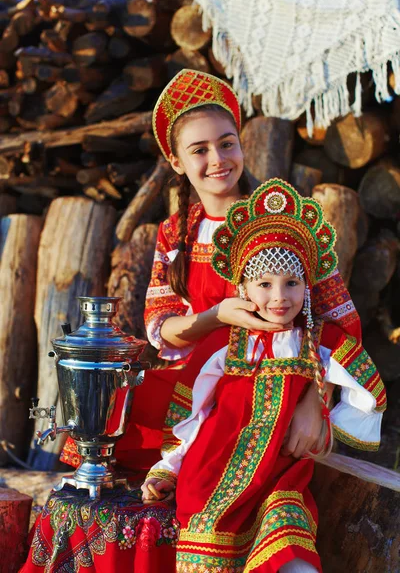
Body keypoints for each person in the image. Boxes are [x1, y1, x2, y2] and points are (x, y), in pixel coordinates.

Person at [60, 69, 363, 471]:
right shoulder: (176, 231)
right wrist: (216, 316)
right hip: (198, 379)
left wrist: (315, 402)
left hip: (271, 384)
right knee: (108, 407)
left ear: (241, 145)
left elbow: (339, 322)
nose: (218, 159)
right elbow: (161, 325)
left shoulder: (283, 222)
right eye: (199, 150)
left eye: (227, 144)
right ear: (176, 161)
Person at [142, 178, 386, 573]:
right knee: (207, 539)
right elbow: (191, 411)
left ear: (308, 286)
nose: (279, 297)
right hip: (213, 472)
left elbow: (367, 384)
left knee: (291, 549)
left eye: (292, 283)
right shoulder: (224, 342)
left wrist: (329, 417)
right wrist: (169, 467)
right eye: (265, 284)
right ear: (243, 287)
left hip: (281, 473)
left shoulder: (319, 342)